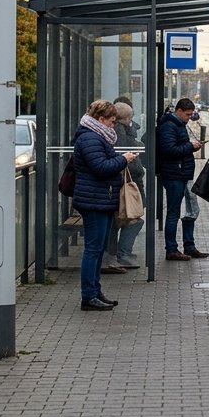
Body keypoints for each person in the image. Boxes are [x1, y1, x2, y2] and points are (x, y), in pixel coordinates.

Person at [72, 99, 139, 311]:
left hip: (99, 198)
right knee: (93, 249)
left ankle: (95, 291)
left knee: (98, 248)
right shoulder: (91, 138)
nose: (113, 125)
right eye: (111, 122)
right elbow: (100, 167)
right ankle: (88, 296)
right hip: (93, 201)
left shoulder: (95, 135)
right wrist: (124, 160)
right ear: (101, 119)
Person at [156, 97, 207, 260]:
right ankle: (171, 249)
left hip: (183, 173)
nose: (189, 118)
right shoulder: (169, 126)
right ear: (178, 111)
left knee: (192, 209)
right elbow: (169, 150)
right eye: (187, 114)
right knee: (173, 212)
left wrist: (189, 146)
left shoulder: (179, 124)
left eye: (191, 115)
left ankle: (189, 246)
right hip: (173, 175)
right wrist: (190, 147)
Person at [102, 99, 145, 272]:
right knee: (131, 220)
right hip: (125, 185)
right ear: (125, 118)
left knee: (124, 220)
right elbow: (128, 160)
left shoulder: (119, 130)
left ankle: (116, 255)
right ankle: (119, 255)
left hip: (123, 184)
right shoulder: (120, 132)